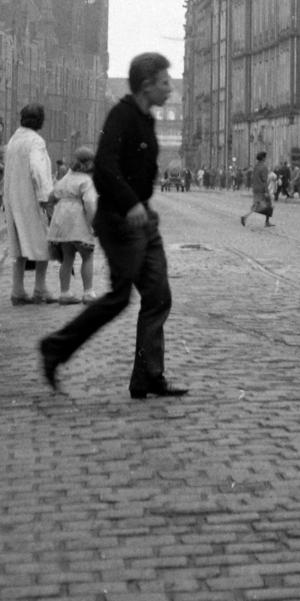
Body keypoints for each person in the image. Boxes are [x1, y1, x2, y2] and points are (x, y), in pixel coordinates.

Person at [39, 52, 184, 399]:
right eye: (165, 82)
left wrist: (144, 206)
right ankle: (54, 348)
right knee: (119, 298)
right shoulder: (121, 115)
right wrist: (132, 203)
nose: (170, 90)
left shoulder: (145, 118)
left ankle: (148, 377)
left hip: (141, 220)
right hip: (120, 222)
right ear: (147, 85)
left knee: (158, 295)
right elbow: (105, 166)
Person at [3, 104, 56, 304]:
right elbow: (38, 169)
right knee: (43, 243)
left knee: (19, 245)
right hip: (32, 200)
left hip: (14, 198)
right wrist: (46, 197)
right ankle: (40, 287)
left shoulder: (14, 139)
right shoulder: (36, 141)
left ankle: (17, 289)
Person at [48, 147, 100, 304]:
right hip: (78, 221)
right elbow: (90, 203)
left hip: (62, 221)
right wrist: (95, 224)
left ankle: (64, 293)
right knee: (87, 256)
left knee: (67, 258)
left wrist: (52, 212)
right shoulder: (86, 181)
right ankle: (88, 293)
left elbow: (52, 195)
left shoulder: (66, 178)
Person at [242, 150, 273, 228]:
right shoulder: (264, 168)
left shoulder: (255, 167)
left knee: (258, 205)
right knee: (267, 204)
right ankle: (246, 217)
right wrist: (266, 191)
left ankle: (266, 221)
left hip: (256, 189)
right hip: (262, 189)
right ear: (263, 158)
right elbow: (264, 181)